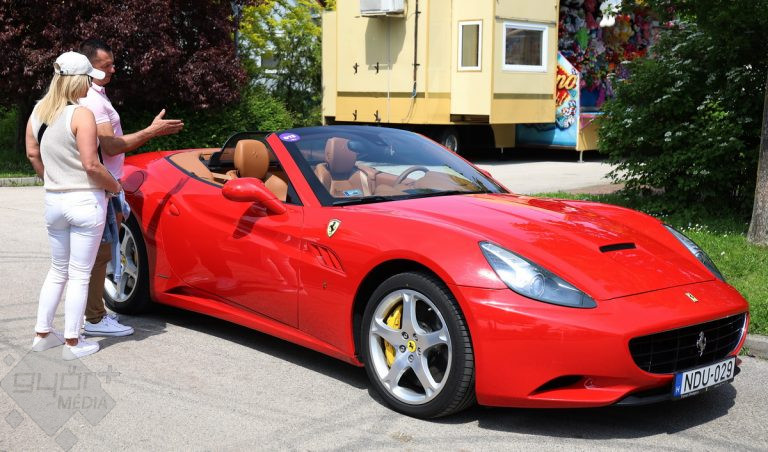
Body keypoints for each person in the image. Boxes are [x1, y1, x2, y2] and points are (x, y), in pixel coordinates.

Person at [77, 38, 184, 336]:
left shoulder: (95, 95)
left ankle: (86, 318)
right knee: (99, 256)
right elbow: (110, 146)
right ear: (89, 68)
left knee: (94, 256)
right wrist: (151, 132)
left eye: (113, 63)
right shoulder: (93, 100)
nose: (113, 69)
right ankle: (94, 319)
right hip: (102, 188)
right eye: (106, 65)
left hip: (102, 186)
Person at [26, 51, 123, 360]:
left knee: (58, 270)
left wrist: (51, 178)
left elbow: (32, 153)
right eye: (87, 80)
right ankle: (72, 342)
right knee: (80, 274)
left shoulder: (38, 112)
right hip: (84, 201)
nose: (89, 86)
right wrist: (115, 187)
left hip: (54, 200)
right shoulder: (81, 114)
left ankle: (43, 334)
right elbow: (92, 165)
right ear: (77, 80)